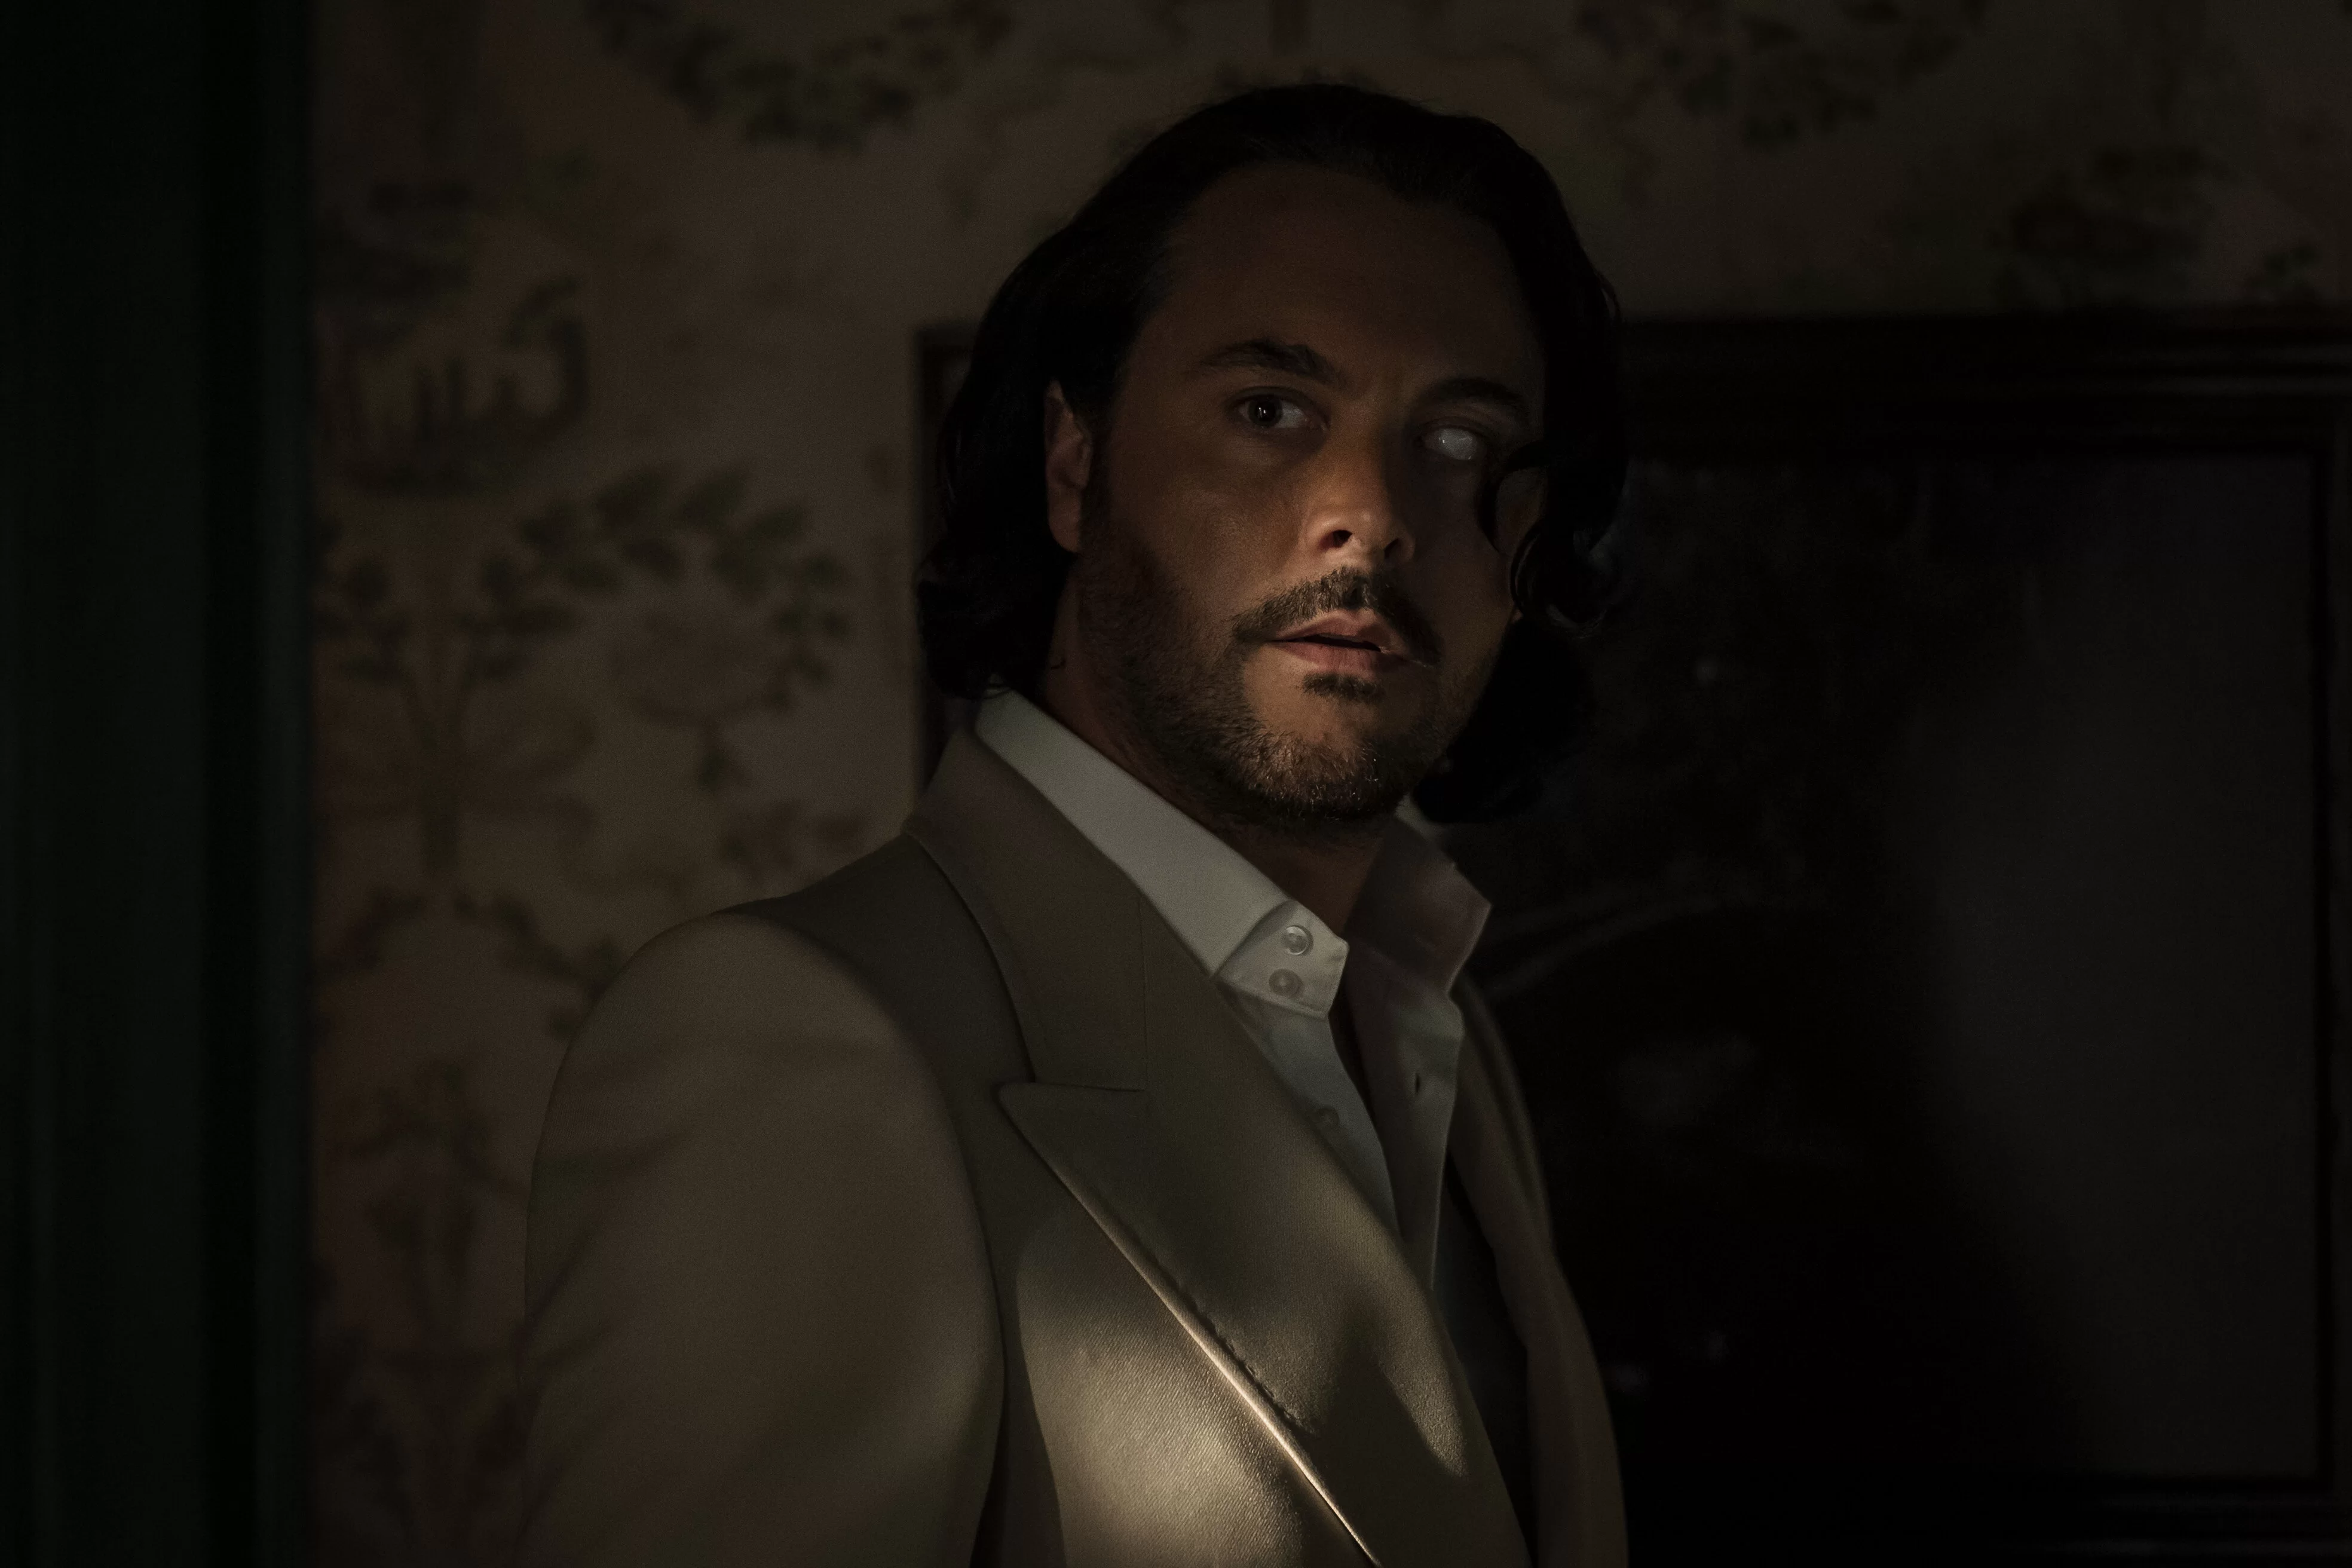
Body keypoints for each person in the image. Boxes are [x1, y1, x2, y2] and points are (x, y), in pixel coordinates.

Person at [516, 82, 1628, 1567]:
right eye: (1271, 410)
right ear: (1073, 462)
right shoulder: (797, 1042)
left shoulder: (1434, 1013)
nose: (1372, 510)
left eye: (1462, 440)